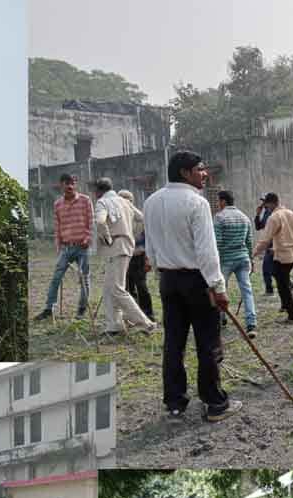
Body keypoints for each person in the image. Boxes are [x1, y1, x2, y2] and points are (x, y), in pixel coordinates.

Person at [143, 150, 241, 423]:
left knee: (173, 342)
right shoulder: (196, 203)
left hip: (168, 280)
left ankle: (175, 401)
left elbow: (150, 245)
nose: (205, 173)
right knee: (208, 342)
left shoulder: (150, 202)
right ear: (185, 172)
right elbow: (206, 252)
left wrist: (160, 273)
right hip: (197, 282)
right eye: (200, 169)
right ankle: (215, 403)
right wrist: (218, 287)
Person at [94, 177, 157, 336]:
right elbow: (142, 218)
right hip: (126, 246)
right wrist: (131, 233)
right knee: (108, 288)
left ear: (98, 191)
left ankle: (146, 323)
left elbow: (100, 222)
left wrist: (107, 238)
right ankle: (114, 325)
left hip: (116, 247)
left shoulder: (102, 202)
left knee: (116, 289)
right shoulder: (125, 202)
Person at [33, 173, 93, 321]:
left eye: (72, 182)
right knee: (56, 278)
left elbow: (91, 223)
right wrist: (58, 244)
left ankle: (81, 310)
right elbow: (57, 225)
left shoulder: (85, 201)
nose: (70, 186)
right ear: (61, 185)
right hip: (66, 248)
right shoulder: (58, 204)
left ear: (76, 184)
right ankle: (48, 309)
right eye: (66, 183)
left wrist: (87, 238)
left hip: (82, 247)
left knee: (84, 279)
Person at [254, 192, 293, 323]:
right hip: (292, 255)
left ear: (270, 203)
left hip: (282, 256)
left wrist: (254, 253)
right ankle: (286, 307)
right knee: (280, 279)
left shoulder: (274, 217)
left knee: (283, 286)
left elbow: (265, 240)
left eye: (266, 205)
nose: (265, 207)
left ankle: (292, 315)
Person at [214, 190, 257, 338]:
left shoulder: (219, 218)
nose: (218, 204)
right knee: (247, 291)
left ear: (224, 201)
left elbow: (217, 243)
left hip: (225, 260)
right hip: (243, 258)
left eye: (218, 201)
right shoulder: (244, 217)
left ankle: (221, 319)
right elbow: (249, 241)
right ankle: (251, 324)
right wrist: (251, 259)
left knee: (221, 290)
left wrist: (215, 262)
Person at [119, 190, 155, 321]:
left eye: (126, 201)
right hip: (124, 257)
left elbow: (148, 240)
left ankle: (148, 314)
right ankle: (134, 316)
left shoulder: (140, 218)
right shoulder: (119, 219)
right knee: (127, 288)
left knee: (142, 286)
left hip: (139, 257)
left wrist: (147, 259)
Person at [254, 193, 277, 296]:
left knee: (268, 268)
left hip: (276, 244)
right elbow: (259, 227)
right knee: (272, 269)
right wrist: (258, 214)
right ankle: (271, 289)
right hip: (269, 244)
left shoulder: (276, 213)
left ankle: (270, 289)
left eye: (264, 202)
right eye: (263, 202)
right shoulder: (267, 212)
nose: (263, 204)